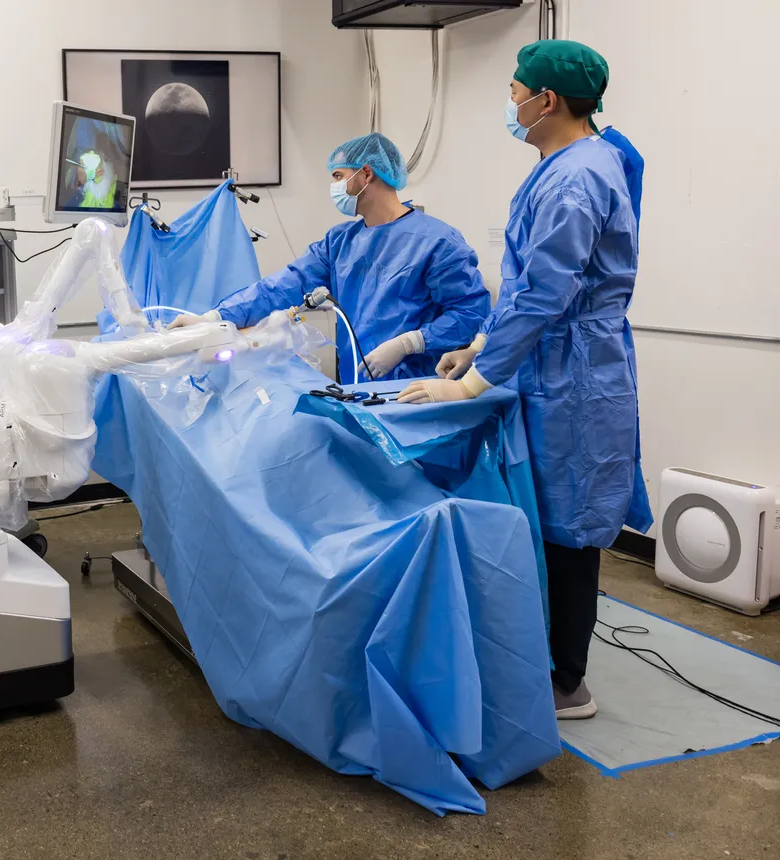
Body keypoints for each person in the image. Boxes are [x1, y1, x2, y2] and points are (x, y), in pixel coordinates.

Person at [398, 41, 654, 720]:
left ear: (545, 101)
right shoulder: (564, 165)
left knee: (568, 526)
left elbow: (545, 294)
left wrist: (471, 382)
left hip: (575, 373)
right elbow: (528, 284)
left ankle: (565, 683)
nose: (508, 104)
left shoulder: (576, 177)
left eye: (513, 91)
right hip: (553, 361)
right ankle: (537, 658)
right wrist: (479, 342)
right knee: (545, 515)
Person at [170, 133, 489, 381]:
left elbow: (471, 313)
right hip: (356, 387)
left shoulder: (437, 241)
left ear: (366, 174)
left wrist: (409, 343)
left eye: (338, 176)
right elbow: (282, 286)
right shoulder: (340, 242)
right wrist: (213, 318)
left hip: (415, 390)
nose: (333, 186)